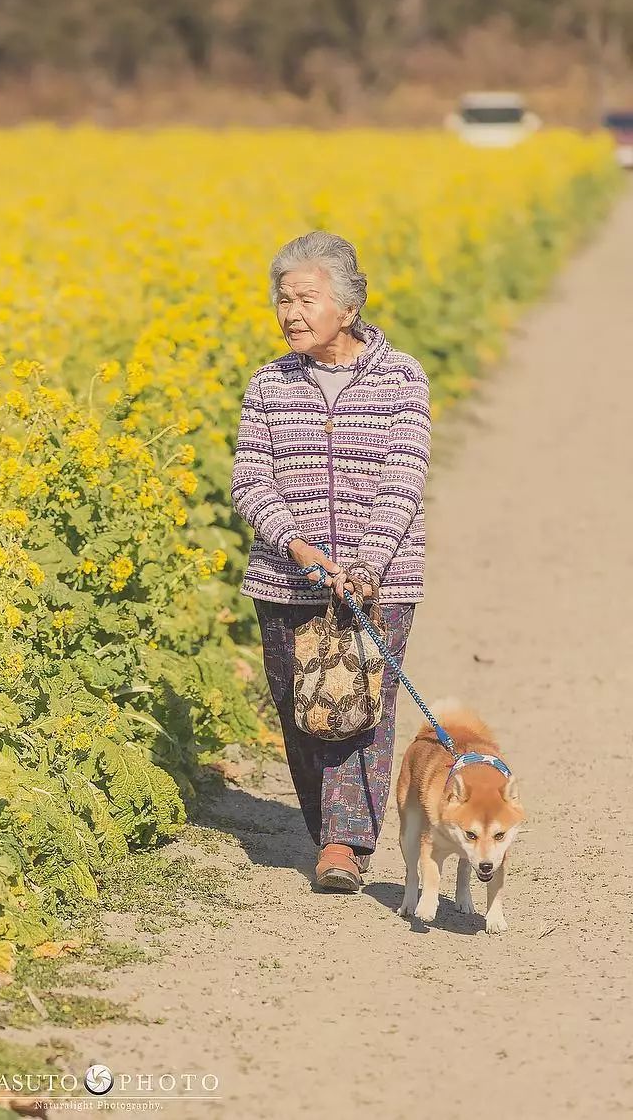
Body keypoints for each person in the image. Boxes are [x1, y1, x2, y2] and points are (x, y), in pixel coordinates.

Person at [230, 230, 431, 893]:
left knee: (359, 705)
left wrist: (366, 566)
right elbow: (250, 482)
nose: (290, 313)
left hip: (381, 582)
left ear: (347, 307)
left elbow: (404, 481)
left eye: (305, 299)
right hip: (285, 580)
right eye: (282, 300)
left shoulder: (401, 377)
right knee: (300, 707)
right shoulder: (268, 383)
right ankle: (332, 826)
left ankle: (344, 844)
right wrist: (297, 545)